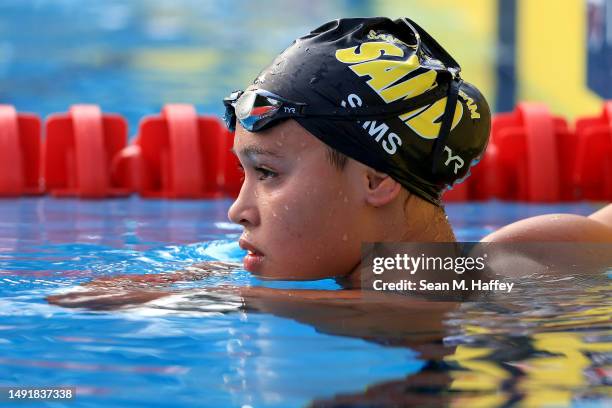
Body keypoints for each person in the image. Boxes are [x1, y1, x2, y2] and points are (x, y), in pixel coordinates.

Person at [47, 16, 612, 306]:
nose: (237, 211)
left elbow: (394, 301)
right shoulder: (532, 249)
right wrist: (197, 277)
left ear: (376, 179)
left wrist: (189, 297)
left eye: (267, 173)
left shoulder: (443, 290)